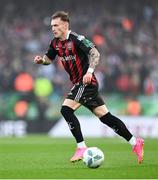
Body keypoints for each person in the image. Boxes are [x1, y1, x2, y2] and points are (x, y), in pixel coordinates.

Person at [34, 11, 144, 164]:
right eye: (52, 26)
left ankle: (81, 147)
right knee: (106, 118)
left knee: (66, 110)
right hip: (79, 84)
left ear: (65, 25)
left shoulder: (77, 39)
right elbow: (49, 59)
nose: (53, 28)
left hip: (86, 82)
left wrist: (89, 72)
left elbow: (95, 53)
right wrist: (41, 60)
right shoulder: (55, 43)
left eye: (56, 25)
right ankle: (135, 142)